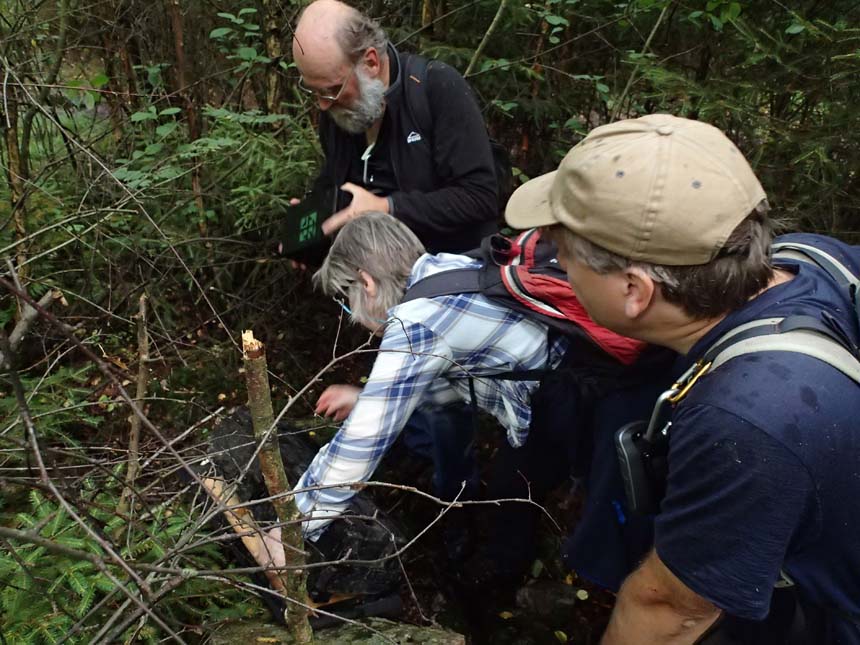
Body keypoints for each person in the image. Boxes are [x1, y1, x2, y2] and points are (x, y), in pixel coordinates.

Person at [504, 113, 860, 644]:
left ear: (634, 290)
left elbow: (668, 610)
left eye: (565, 257)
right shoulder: (813, 259)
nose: (561, 272)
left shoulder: (746, 420)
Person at [292, 0, 499, 254]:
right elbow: (337, 184)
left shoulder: (437, 88)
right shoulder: (339, 110)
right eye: (313, 91)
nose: (323, 104)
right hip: (370, 270)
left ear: (371, 63)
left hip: (449, 268)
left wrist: (388, 207)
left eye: (332, 89)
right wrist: (315, 226)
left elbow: (480, 197)